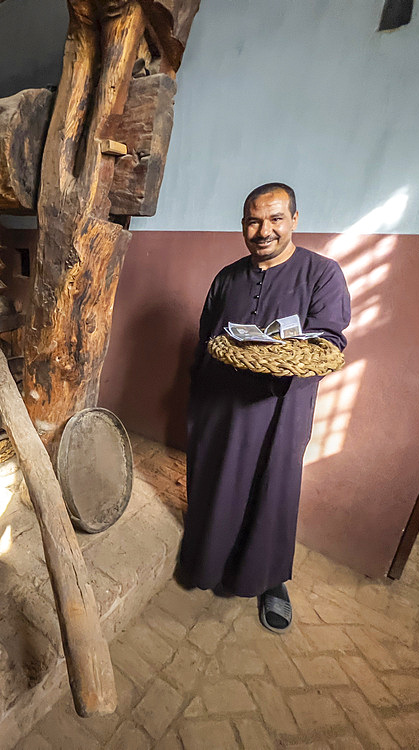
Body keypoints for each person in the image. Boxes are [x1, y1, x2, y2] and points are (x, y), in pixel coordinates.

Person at [178, 183, 351, 633]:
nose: (264, 230)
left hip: (280, 408)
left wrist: (284, 353)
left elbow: (329, 339)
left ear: (294, 219)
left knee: (273, 489)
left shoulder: (322, 273)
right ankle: (206, 561)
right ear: (243, 225)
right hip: (221, 402)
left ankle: (269, 579)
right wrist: (197, 399)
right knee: (215, 481)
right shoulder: (227, 277)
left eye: (275, 219)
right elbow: (206, 338)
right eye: (254, 221)